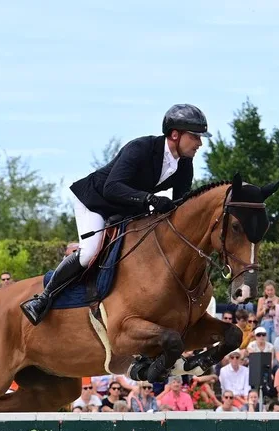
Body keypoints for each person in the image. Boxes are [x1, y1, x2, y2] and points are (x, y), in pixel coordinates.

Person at [22, 104, 210, 324]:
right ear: (175, 134)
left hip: (127, 207)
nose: (200, 143)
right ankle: (43, 298)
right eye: (195, 136)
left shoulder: (185, 164)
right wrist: (149, 199)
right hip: (95, 200)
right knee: (89, 252)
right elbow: (112, 187)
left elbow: (181, 203)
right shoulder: (141, 148)